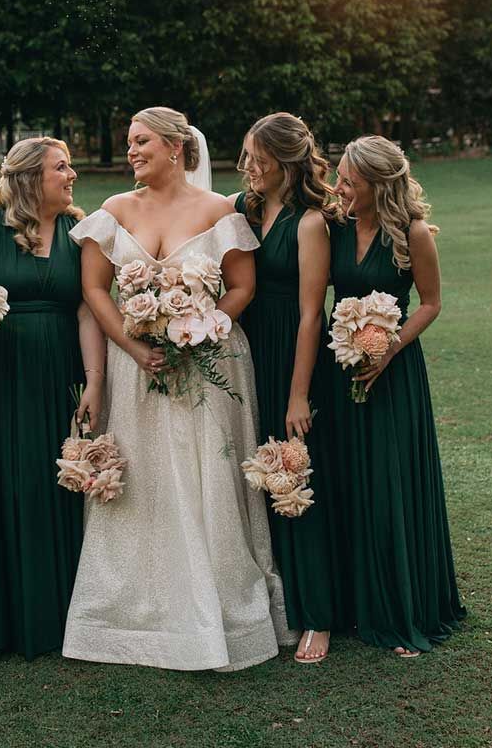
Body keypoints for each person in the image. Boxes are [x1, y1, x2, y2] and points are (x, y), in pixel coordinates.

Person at [62, 106, 290, 671]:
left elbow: (242, 286)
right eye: (129, 142)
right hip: (134, 363)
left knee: (204, 474)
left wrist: (200, 333)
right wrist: (136, 347)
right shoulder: (113, 211)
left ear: (174, 147)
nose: (131, 151)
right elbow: (94, 289)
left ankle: (219, 606)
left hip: (211, 365)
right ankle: (134, 611)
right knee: (144, 475)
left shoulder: (222, 211)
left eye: (141, 142)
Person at [329, 135, 466, 655]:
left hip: (395, 372)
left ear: (379, 185)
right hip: (339, 366)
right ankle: (352, 605)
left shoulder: (412, 235)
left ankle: (402, 608)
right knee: (349, 478)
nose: (339, 188)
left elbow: (430, 303)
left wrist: (389, 347)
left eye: (349, 181)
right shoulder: (336, 227)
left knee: (390, 482)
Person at [0, 137, 105, 658]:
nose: (72, 175)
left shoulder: (81, 231)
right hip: (1, 379)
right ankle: (10, 615)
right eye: (61, 167)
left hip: (62, 372)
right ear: (29, 177)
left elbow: (88, 309)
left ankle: (68, 613)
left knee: (63, 483)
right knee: (10, 483)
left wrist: (93, 380)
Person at [234, 112, 344, 664]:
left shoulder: (309, 222)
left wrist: (298, 393)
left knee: (293, 475)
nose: (248, 166)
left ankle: (317, 616)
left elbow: (310, 315)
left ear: (285, 161)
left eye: (257, 157)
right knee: (256, 477)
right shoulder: (243, 207)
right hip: (244, 350)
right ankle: (273, 603)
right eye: (246, 156)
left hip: (291, 354)